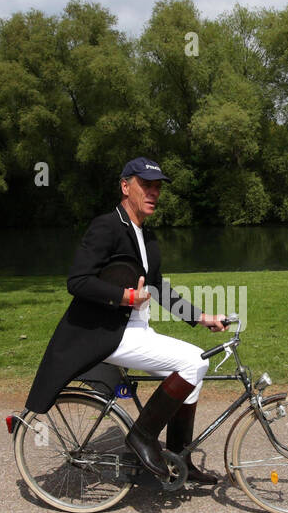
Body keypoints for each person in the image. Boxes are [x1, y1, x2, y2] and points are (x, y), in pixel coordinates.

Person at [24, 157, 228, 484]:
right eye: (146, 186)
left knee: (193, 372)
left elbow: (158, 287)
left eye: (157, 188)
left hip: (137, 331)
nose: (153, 193)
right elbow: (77, 281)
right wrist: (124, 297)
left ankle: (179, 463)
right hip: (109, 334)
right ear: (125, 186)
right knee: (193, 362)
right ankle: (141, 436)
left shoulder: (146, 236)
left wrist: (202, 317)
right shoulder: (107, 226)